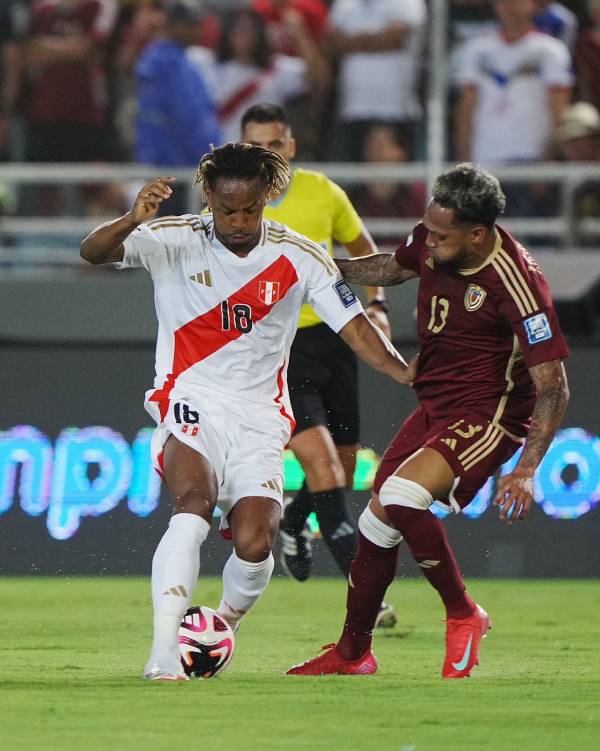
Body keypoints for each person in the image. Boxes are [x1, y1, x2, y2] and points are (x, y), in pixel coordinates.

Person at [80, 142, 415, 681]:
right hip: (190, 399)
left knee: (257, 543)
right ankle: (163, 655)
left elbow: (356, 330)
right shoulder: (173, 238)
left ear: (268, 197)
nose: (238, 222)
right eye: (227, 209)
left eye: (250, 209)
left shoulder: (300, 256)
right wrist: (131, 218)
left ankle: (220, 626)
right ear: (208, 197)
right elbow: (92, 253)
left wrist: (405, 373)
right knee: (193, 503)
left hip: (261, 416)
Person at [287, 163, 570, 679]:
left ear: (477, 234)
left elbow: (554, 386)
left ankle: (464, 613)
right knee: (376, 523)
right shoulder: (433, 237)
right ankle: (353, 654)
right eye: (427, 229)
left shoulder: (519, 283)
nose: (428, 242)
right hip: (436, 403)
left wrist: (527, 469)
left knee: (400, 497)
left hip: (490, 413)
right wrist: (323, 267)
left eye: (441, 236)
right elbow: (392, 267)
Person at [240, 103, 396, 627]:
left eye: (273, 144)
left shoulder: (323, 192)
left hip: (336, 339)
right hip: (277, 349)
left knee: (344, 467)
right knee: (325, 468)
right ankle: (368, 599)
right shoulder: (234, 205)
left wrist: (377, 304)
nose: (265, 154)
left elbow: (363, 249)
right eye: (254, 145)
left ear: (289, 147)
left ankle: (293, 520)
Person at [454, 0, 572, 165]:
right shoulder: (476, 49)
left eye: (517, 2)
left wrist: (550, 156)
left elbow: (559, 108)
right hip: (485, 156)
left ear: (533, 4)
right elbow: (467, 106)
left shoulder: (551, 50)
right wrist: (463, 154)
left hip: (533, 155)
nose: (510, 7)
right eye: (504, 2)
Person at [189, 8, 328, 145]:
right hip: (218, 151)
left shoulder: (277, 69)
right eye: (237, 28)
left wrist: (299, 33)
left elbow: (318, 77)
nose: (243, 34)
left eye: (251, 29)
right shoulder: (207, 63)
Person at [135, 0, 221, 214]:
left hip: (163, 168)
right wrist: (217, 158)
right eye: (190, 25)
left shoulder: (157, 58)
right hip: (179, 169)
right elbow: (190, 120)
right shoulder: (171, 65)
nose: (197, 30)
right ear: (172, 26)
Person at [324, 0, 426, 160]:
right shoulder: (345, 4)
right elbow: (331, 43)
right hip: (351, 111)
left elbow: (392, 39)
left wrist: (349, 42)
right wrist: (374, 39)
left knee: (392, 172)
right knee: (346, 174)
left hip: (394, 111)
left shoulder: (407, 2)